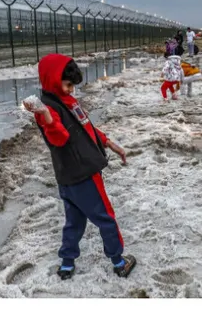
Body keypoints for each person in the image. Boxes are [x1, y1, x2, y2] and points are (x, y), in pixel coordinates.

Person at [21, 54, 136, 279]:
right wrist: (45, 115)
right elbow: (59, 139)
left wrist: (109, 143)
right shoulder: (47, 110)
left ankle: (66, 263)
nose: (71, 89)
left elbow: (86, 127)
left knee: (74, 221)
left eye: (73, 85)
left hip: (67, 176)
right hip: (83, 174)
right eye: (67, 84)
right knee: (105, 217)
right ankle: (119, 261)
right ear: (52, 79)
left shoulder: (68, 102)